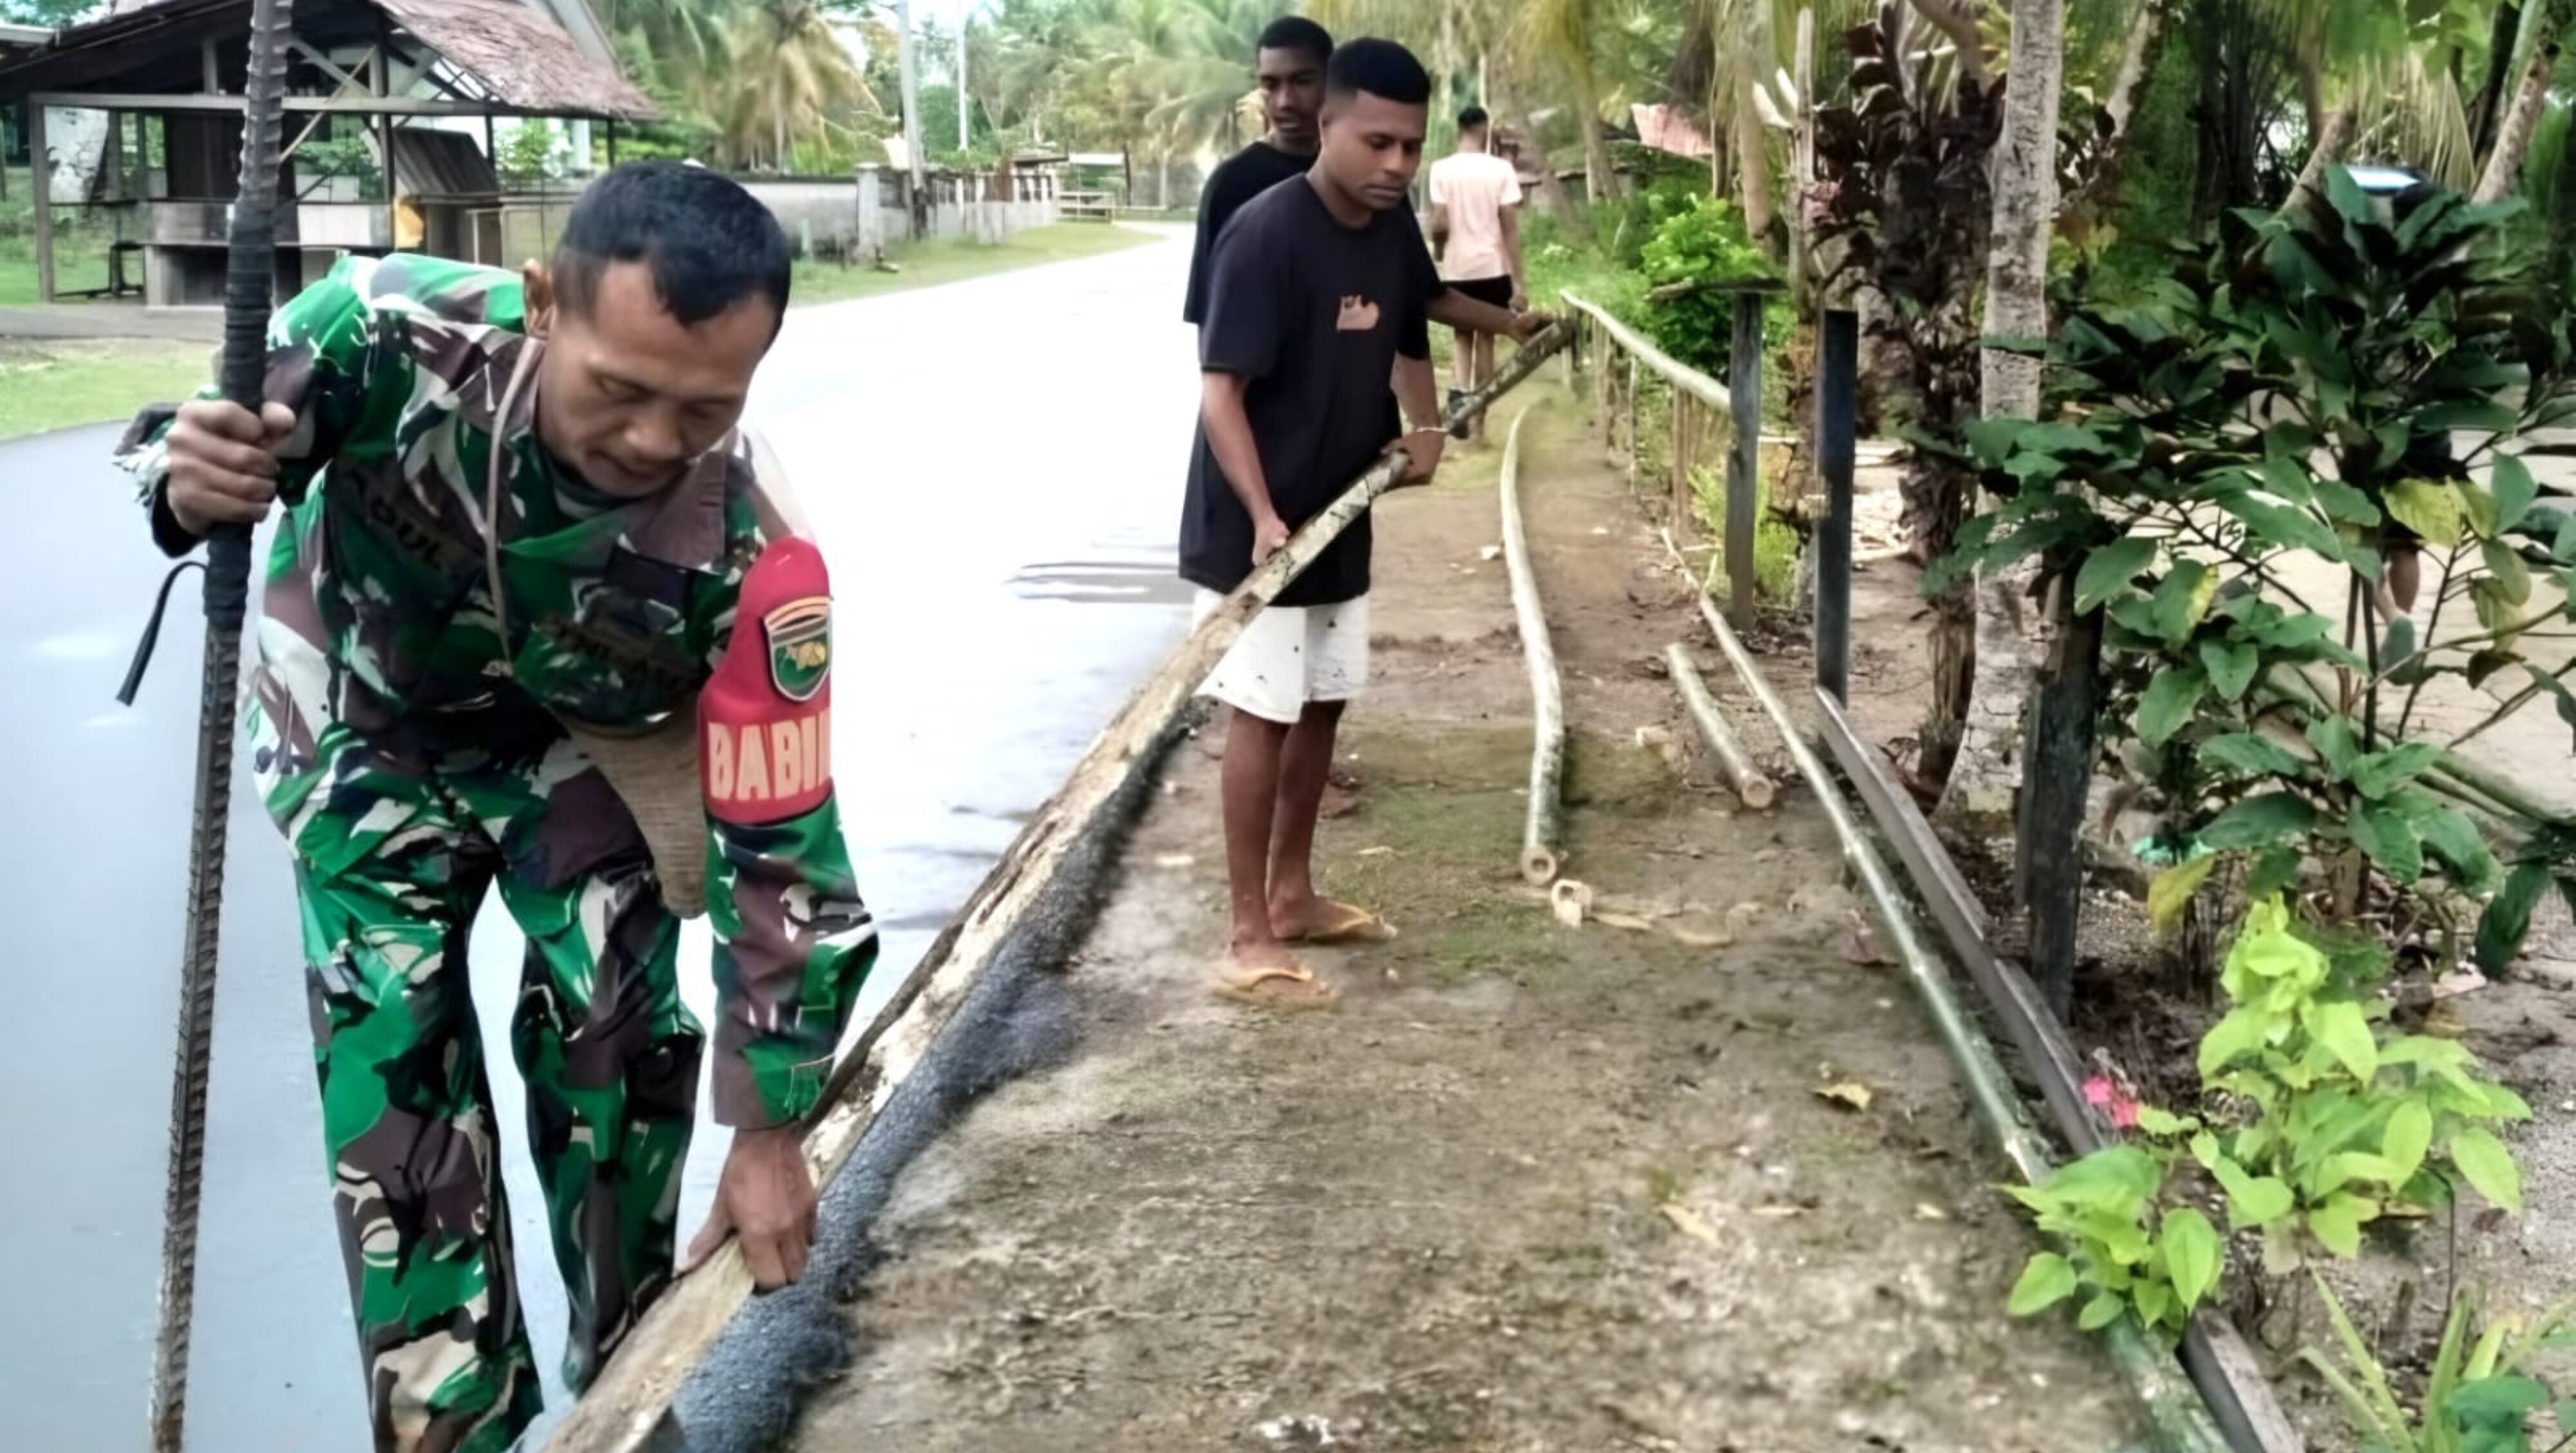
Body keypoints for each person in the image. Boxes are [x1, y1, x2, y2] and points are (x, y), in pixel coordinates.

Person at [115, 161, 876, 1452]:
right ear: (540, 305)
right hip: (359, 724)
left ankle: (630, 1383)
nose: (647, 442)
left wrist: (770, 1128)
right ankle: (444, 1425)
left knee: (615, 1041)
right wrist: (188, 487)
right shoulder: (376, 333)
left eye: (700, 411)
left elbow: (781, 848)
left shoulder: (755, 551)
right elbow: (199, 448)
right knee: (397, 1103)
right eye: (617, 391)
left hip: (574, 749)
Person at [1184, 37, 1446, 1003]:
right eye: (1378, 142)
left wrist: (1427, 418)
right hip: (1259, 522)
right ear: (1326, 124)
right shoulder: (1263, 232)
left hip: (1343, 505)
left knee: (1325, 698)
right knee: (1262, 711)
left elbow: (1419, 314)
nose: (1396, 165)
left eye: (1411, 147)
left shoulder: (1386, 226)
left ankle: (1293, 895)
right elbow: (1221, 395)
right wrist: (1260, 515)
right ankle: (1248, 931)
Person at [1182, 16, 1542, 396]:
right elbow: (1213, 331)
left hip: (1364, 422)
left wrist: (1508, 323)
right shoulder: (1232, 187)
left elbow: (1422, 294)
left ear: (1333, 83)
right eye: (1271, 85)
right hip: (1271, 431)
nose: (1285, 101)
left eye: (1303, 81)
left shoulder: (1378, 180)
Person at [1427, 106, 1526, 442]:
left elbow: (1439, 222)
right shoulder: (1501, 170)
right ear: (1485, 130)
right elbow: (1510, 229)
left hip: (1458, 268)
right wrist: (1518, 281)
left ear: (1459, 129)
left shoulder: (1440, 170)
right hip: (1492, 267)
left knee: (1461, 336)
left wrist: (1440, 254)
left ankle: (1459, 400)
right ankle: (1481, 422)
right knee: (1487, 339)